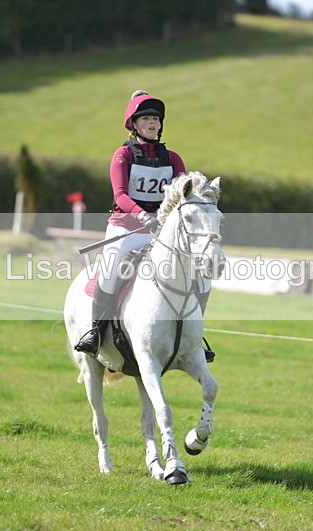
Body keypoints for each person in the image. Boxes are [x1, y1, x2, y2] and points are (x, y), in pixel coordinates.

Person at [75, 90, 215, 362]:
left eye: (156, 119)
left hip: (160, 231)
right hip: (125, 227)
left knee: (197, 274)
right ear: (134, 125)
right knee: (111, 271)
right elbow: (120, 196)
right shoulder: (123, 155)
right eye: (147, 119)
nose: (153, 124)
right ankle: (95, 333)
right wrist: (141, 215)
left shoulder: (172, 159)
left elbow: (182, 197)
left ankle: (194, 335)